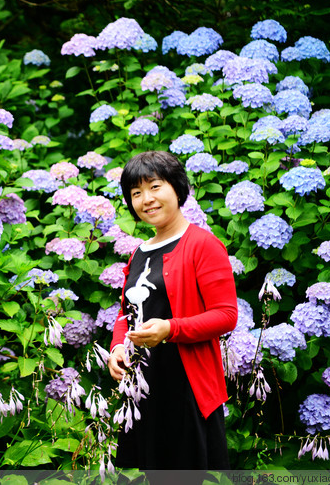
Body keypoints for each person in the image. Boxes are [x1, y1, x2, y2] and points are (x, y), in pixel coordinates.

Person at [108, 150, 237, 470]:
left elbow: (226, 315)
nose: (146, 199)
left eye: (154, 187)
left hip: (187, 391)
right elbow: (126, 313)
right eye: (136, 193)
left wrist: (171, 329)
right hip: (144, 387)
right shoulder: (139, 252)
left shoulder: (203, 244)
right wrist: (116, 349)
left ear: (177, 188)